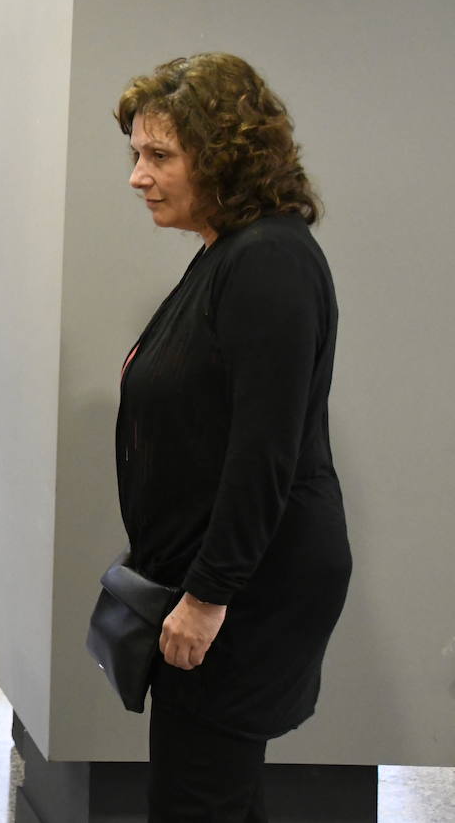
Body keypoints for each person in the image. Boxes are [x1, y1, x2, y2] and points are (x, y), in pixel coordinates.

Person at [113, 53, 351, 821]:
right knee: (212, 795)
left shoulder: (269, 262)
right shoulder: (225, 251)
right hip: (212, 577)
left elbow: (264, 454)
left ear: (223, 155)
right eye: (136, 155)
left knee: (197, 799)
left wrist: (209, 598)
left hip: (249, 591)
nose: (138, 177)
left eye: (160, 156)